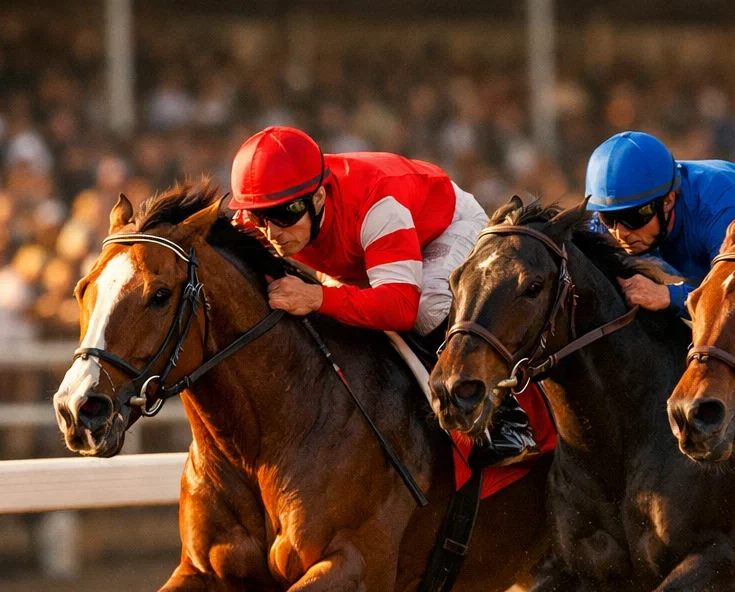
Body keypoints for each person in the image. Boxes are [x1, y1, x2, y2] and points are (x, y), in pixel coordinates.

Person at [228, 125, 534, 463]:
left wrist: (317, 297)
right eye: (260, 216)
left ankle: (506, 420)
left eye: (285, 215)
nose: (272, 232)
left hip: (441, 229)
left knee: (426, 308)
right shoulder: (258, 219)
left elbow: (399, 307)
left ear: (318, 197)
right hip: (365, 254)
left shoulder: (376, 203)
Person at [584, 131, 735, 318]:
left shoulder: (721, 211)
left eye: (633, 217)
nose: (620, 232)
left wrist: (667, 295)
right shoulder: (615, 222)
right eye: (608, 218)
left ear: (668, 200)